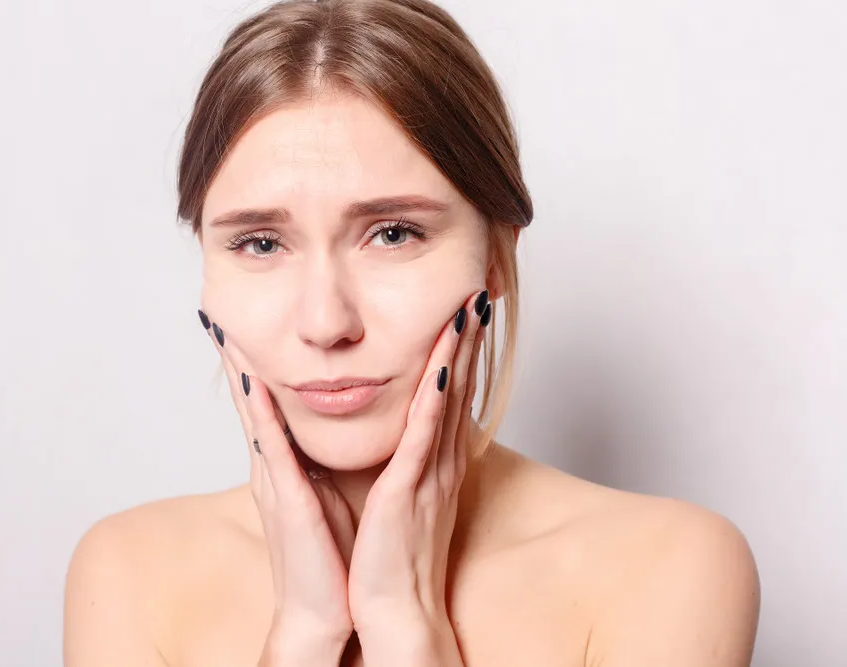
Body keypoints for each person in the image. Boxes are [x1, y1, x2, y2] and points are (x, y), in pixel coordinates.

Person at [63, 1, 761, 665]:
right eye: (260, 243)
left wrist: (407, 625)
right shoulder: (129, 574)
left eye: (392, 233)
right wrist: (303, 634)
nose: (326, 322)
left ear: (495, 255)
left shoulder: (666, 567)